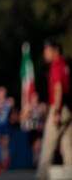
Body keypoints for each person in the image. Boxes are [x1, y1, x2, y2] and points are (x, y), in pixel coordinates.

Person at [37, 40, 72, 179]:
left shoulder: (56, 66)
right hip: (68, 109)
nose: (45, 53)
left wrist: (56, 111)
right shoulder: (65, 65)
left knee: (48, 146)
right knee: (67, 146)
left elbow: (58, 89)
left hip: (59, 108)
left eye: (47, 50)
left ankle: (41, 176)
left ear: (55, 50)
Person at [20, 91, 47, 166]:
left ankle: (38, 161)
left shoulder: (42, 106)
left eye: (36, 97)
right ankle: (36, 159)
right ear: (30, 98)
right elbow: (22, 119)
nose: (34, 99)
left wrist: (42, 113)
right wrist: (28, 113)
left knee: (38, 145)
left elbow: (45, 117)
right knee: (35, 146)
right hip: (31, 128)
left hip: (39, 128)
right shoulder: (27, 107)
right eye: (33, 97)